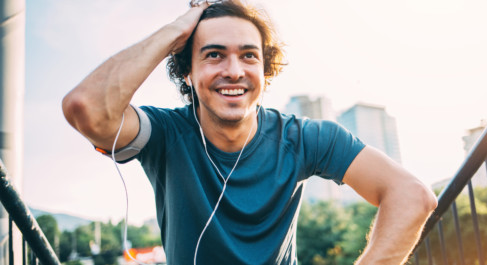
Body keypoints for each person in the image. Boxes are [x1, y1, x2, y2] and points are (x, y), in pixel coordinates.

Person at [62, 0, 437, 264]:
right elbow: (86, 108)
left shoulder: (304, 138)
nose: (234, 70)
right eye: (213, 54)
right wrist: (179, 28)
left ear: (264, 71)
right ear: (188, 73)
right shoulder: (165, 134)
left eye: (248, 55)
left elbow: (412, 196)